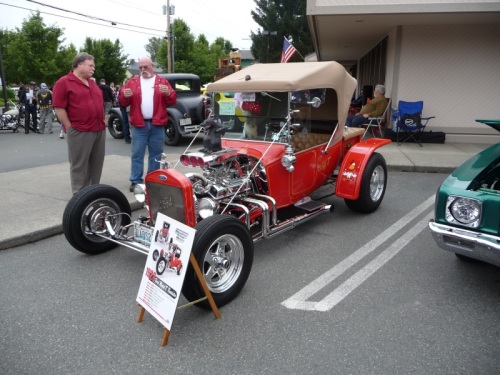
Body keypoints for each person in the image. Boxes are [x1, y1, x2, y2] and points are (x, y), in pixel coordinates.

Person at [119, 56, 177, 192]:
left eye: (146, 67)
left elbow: (172, 100)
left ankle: (152, 180)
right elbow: (122, 102)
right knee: (137, 154)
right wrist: (123, 96)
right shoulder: (132, 82)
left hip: (157, 124)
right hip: (139, 124)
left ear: (152, 66)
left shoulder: (162, 81)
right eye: (140, 67)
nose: (143, 70)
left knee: (156, 154)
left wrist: (168, 92)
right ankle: (136, 181)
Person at [52, 52, 106, 194]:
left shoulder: (92, 83)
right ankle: (79, 198)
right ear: (79, 64)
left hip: (98, 130)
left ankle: (92, 193)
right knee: (79, 166)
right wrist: (69, 127)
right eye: (90, 65)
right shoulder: (64, 82)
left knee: (96, 165)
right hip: (80, 130)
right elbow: (59, 107)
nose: (93, 68)